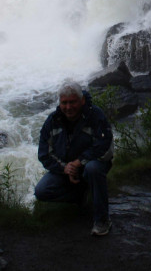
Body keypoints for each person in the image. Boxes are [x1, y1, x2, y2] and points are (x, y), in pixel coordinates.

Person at [34, 81, 114, 236]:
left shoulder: (95, 116)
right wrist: (65, 168)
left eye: (73, 102)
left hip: (91, 165)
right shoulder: (52, 121)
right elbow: (44, 154)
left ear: (82, 100)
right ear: (60, 103)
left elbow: (104, 145)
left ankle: (102, 219)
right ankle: (81, 196)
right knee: (41, 191)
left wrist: (79, 162)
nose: (68, 107)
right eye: (64, 103)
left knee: (93, 169)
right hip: (66, 170)